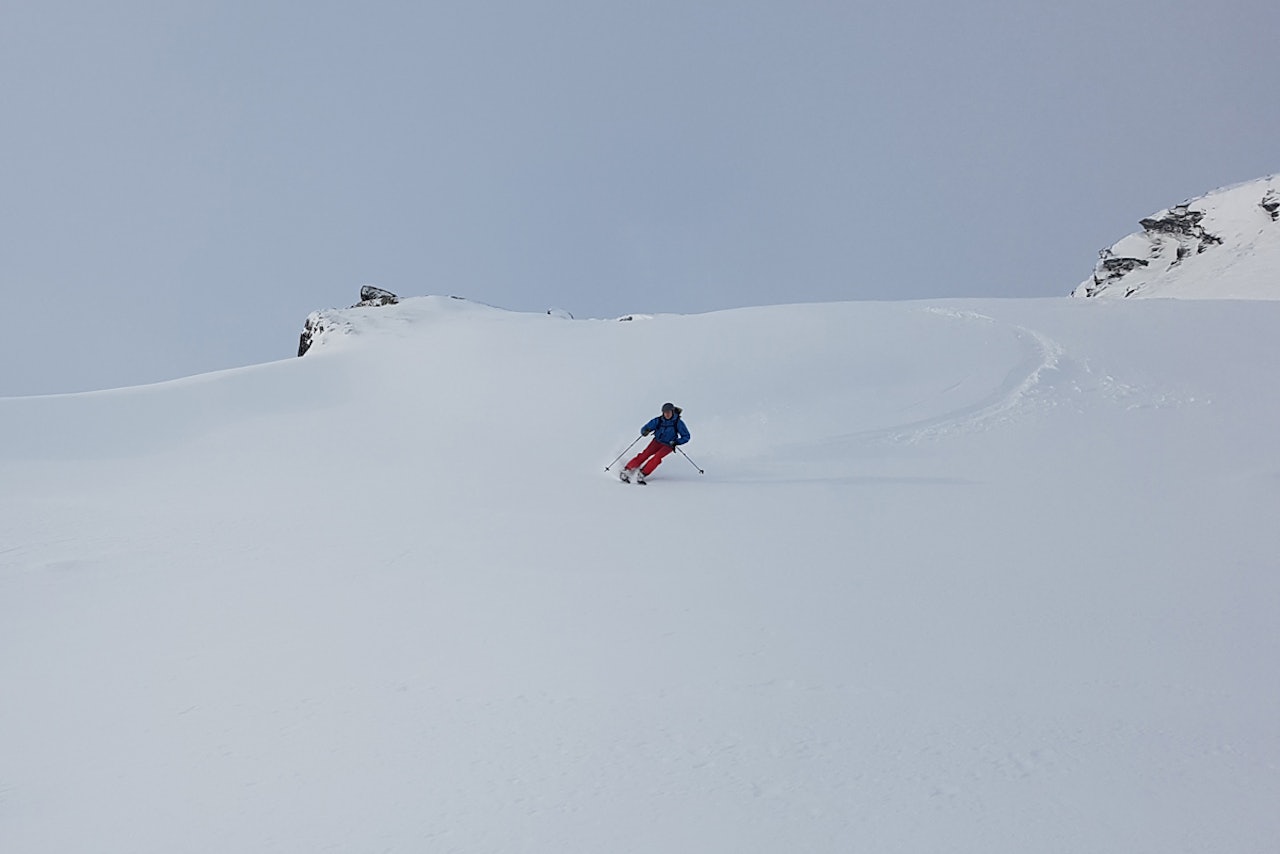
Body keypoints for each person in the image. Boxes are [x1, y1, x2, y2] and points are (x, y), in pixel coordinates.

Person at [620, 403, 690, 483]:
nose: (667, 414)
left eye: (669, 412)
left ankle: (642, 473)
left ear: (672, 412)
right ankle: (627, 470)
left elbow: (686, 436)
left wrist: (676, 442)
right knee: (645, 454)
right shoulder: (658, 420)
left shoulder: (678, 423)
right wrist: (645, 431)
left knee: (657, 457)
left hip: (669, 445)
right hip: (657, 441)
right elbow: (646, 427)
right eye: (665, 412)